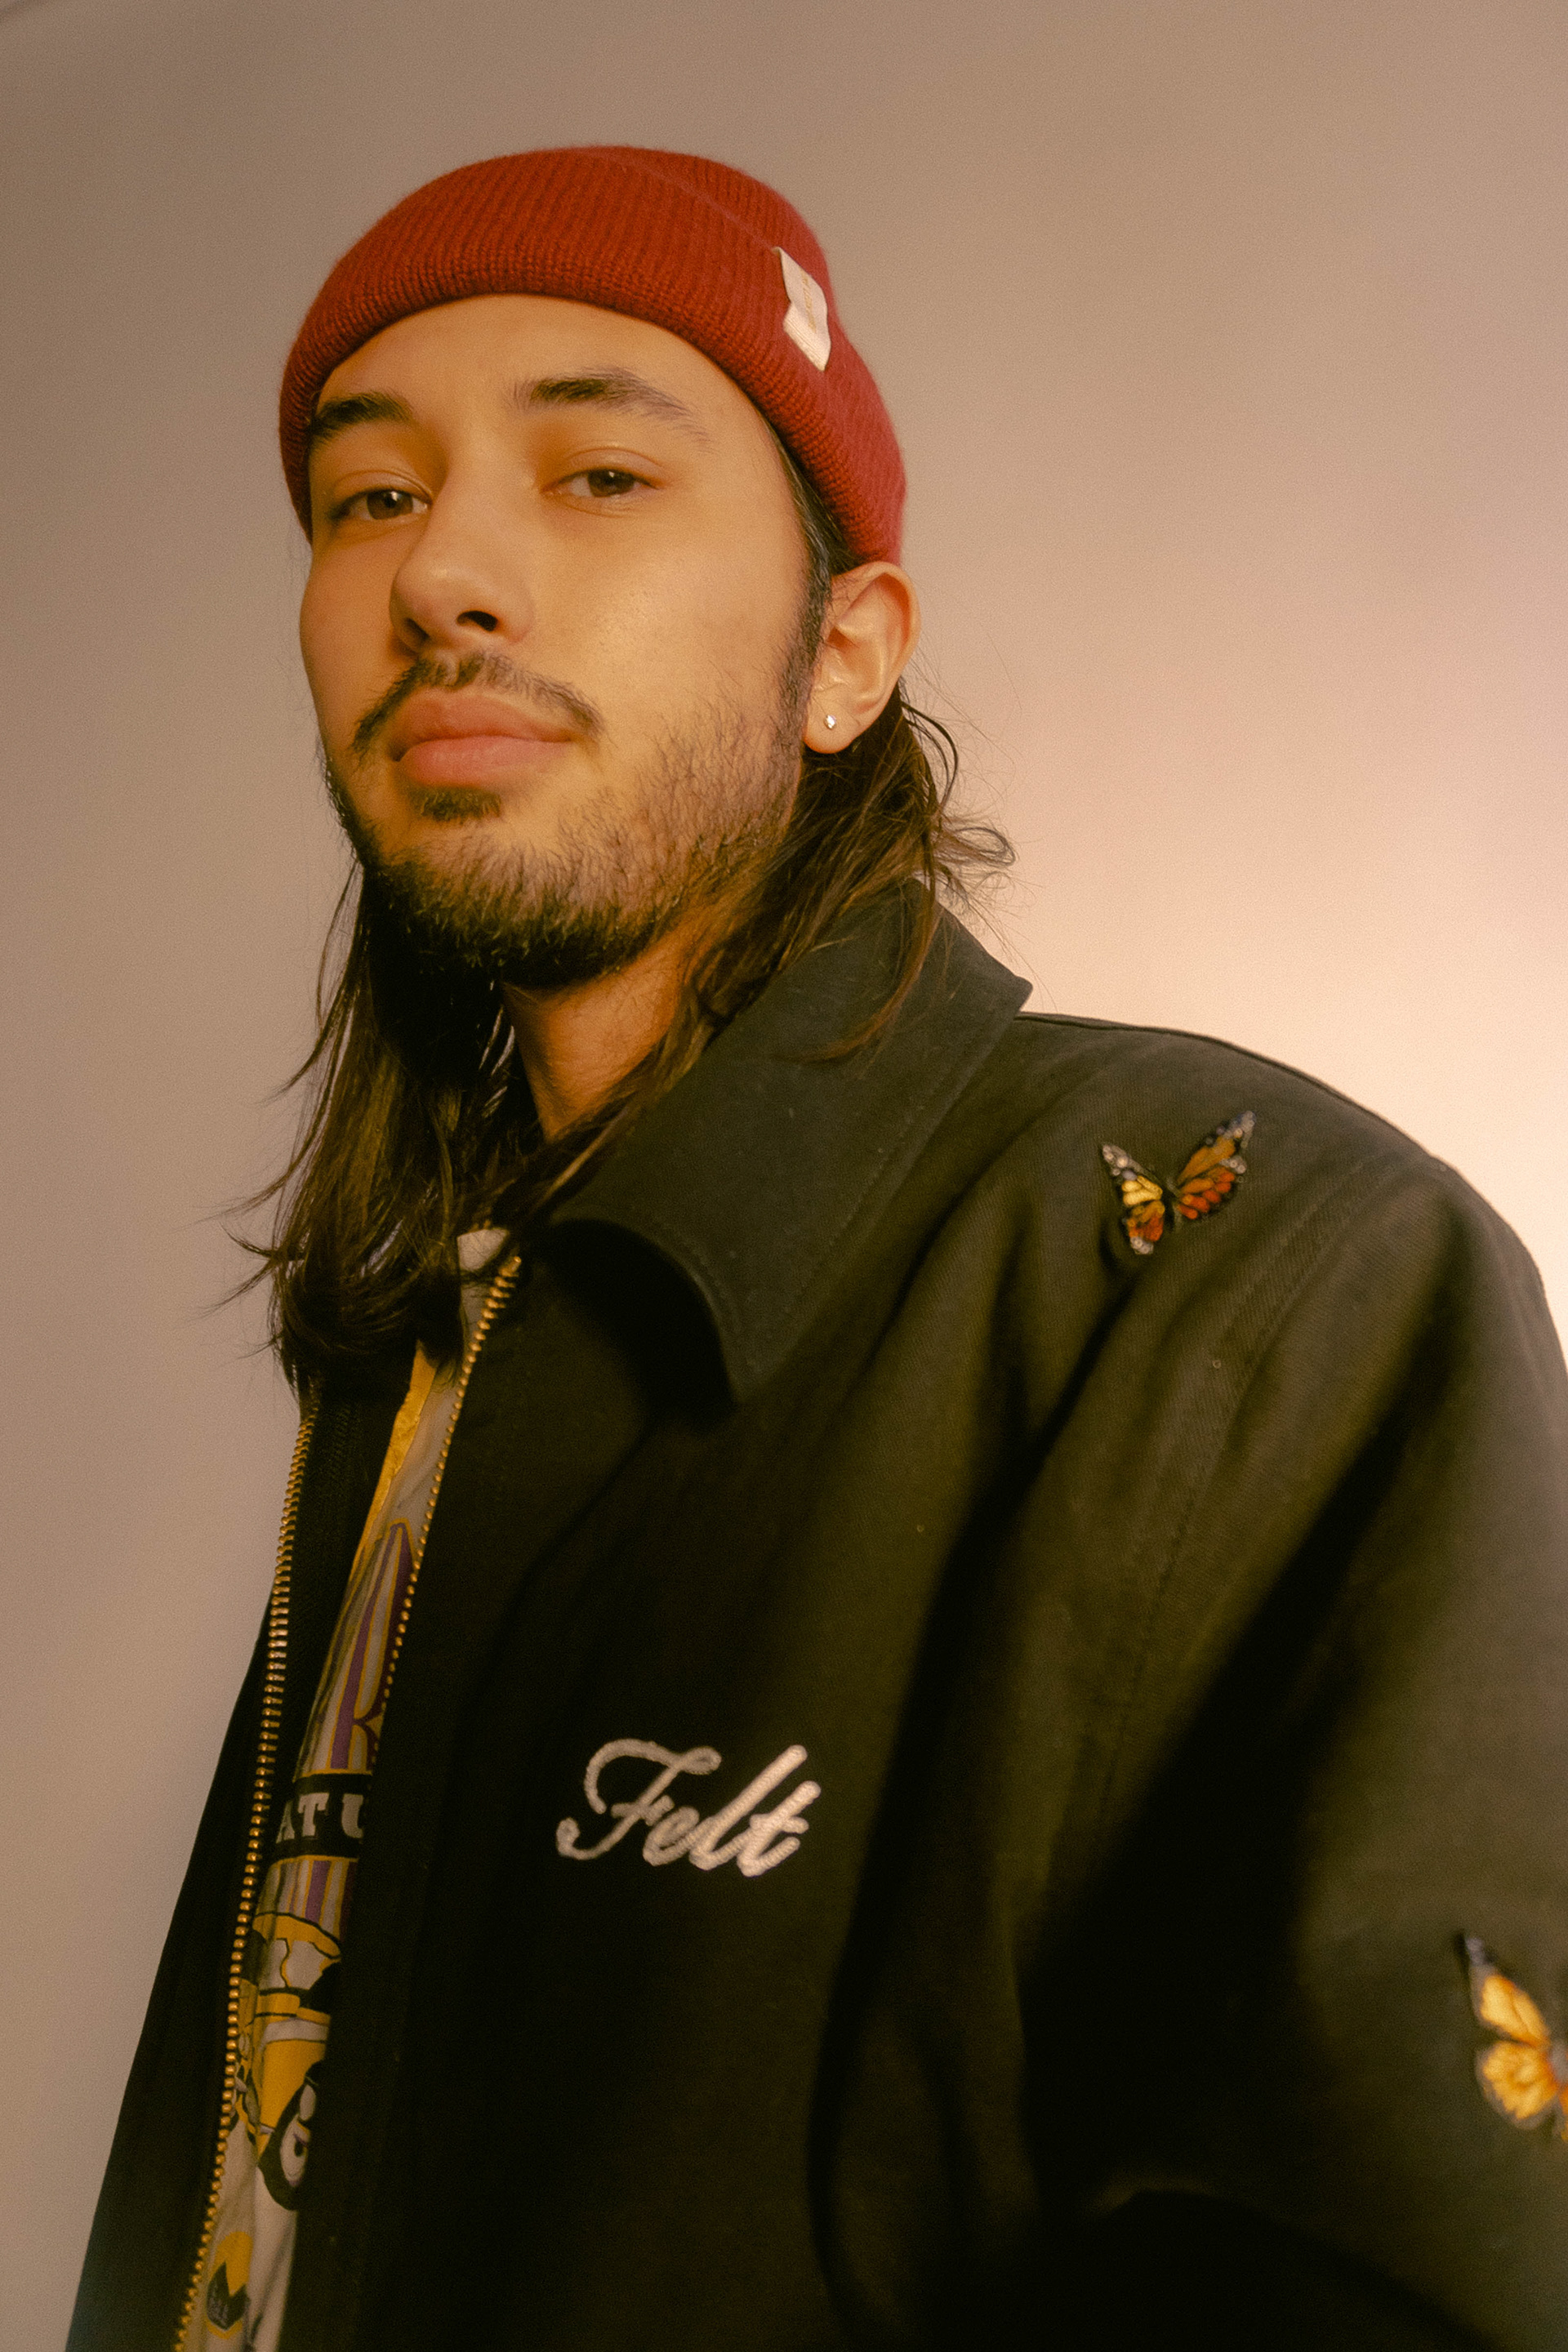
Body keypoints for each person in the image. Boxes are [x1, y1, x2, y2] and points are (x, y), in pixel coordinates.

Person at [69, 147, 1568, 2352]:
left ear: (845, 655)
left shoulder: (1267, 1272)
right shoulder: (427, 1354)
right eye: (368, 498)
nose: (443, 572)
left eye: (596, 474)